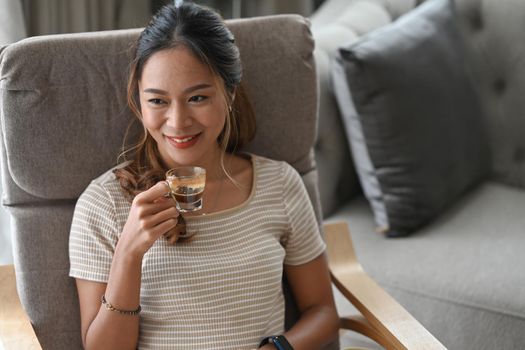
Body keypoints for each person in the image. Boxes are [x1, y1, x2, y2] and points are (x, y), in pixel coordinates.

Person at [69, 2, 339, 349]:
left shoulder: (280, 184)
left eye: (197, 97)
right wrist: (128, 254)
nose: (178, 122)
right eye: (158, 101)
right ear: (138, 100)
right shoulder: (103, 204)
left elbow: (323, 313)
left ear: (228, 93)